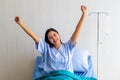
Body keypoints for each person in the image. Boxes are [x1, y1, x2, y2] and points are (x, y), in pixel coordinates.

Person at [15, 5, 87, 76]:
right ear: (48, 41)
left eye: (54, 35)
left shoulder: (68, 47)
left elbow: (77, 30)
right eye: (50, 38)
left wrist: (84, 14)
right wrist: (20, 23)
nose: (54, 38)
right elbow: (34, 37)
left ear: (58, 35)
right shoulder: (46, 48)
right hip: (52, 76)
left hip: (67, 76)